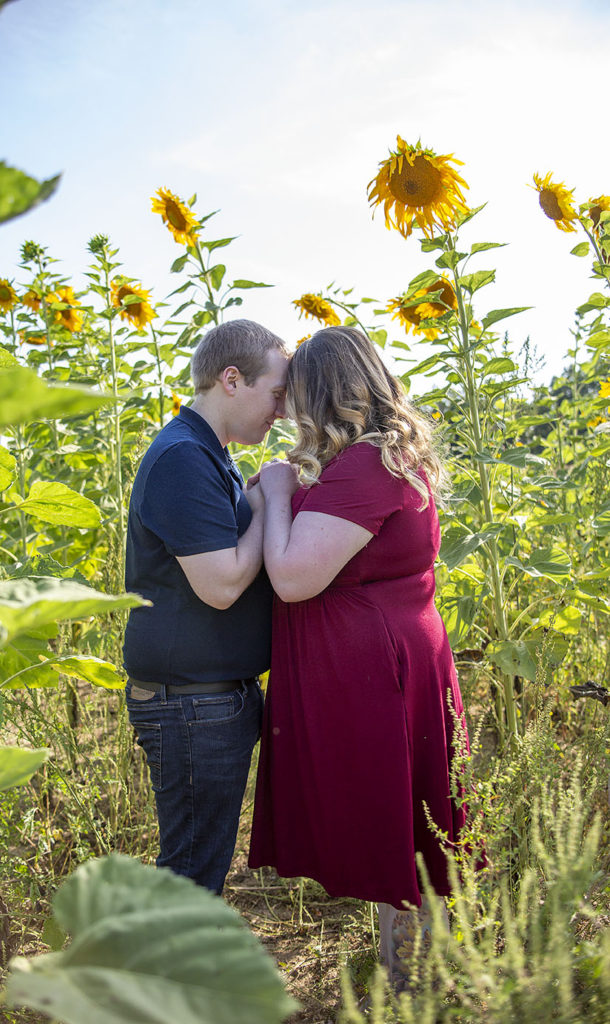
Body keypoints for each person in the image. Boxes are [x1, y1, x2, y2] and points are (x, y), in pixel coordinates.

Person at [248, 325, 467, 985]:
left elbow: (292, 576)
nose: (285, 411)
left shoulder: (369, 463)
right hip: (393, 657)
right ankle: (424, 977)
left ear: (324, 393)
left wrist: (278, 495)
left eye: (294, 395)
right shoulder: (385, 454)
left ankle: (416, 985)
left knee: (397, 825)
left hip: (377, 672)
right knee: (405, 822)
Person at [123, 319, 289, 895]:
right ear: (232, 380)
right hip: (190, 704)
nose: (280, 412)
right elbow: (220, 584)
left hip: (206, 698)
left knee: (199, 867)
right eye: (275, 393)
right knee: (192, 876)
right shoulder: (181, 458)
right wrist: (273, 501)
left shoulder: (208, 453)